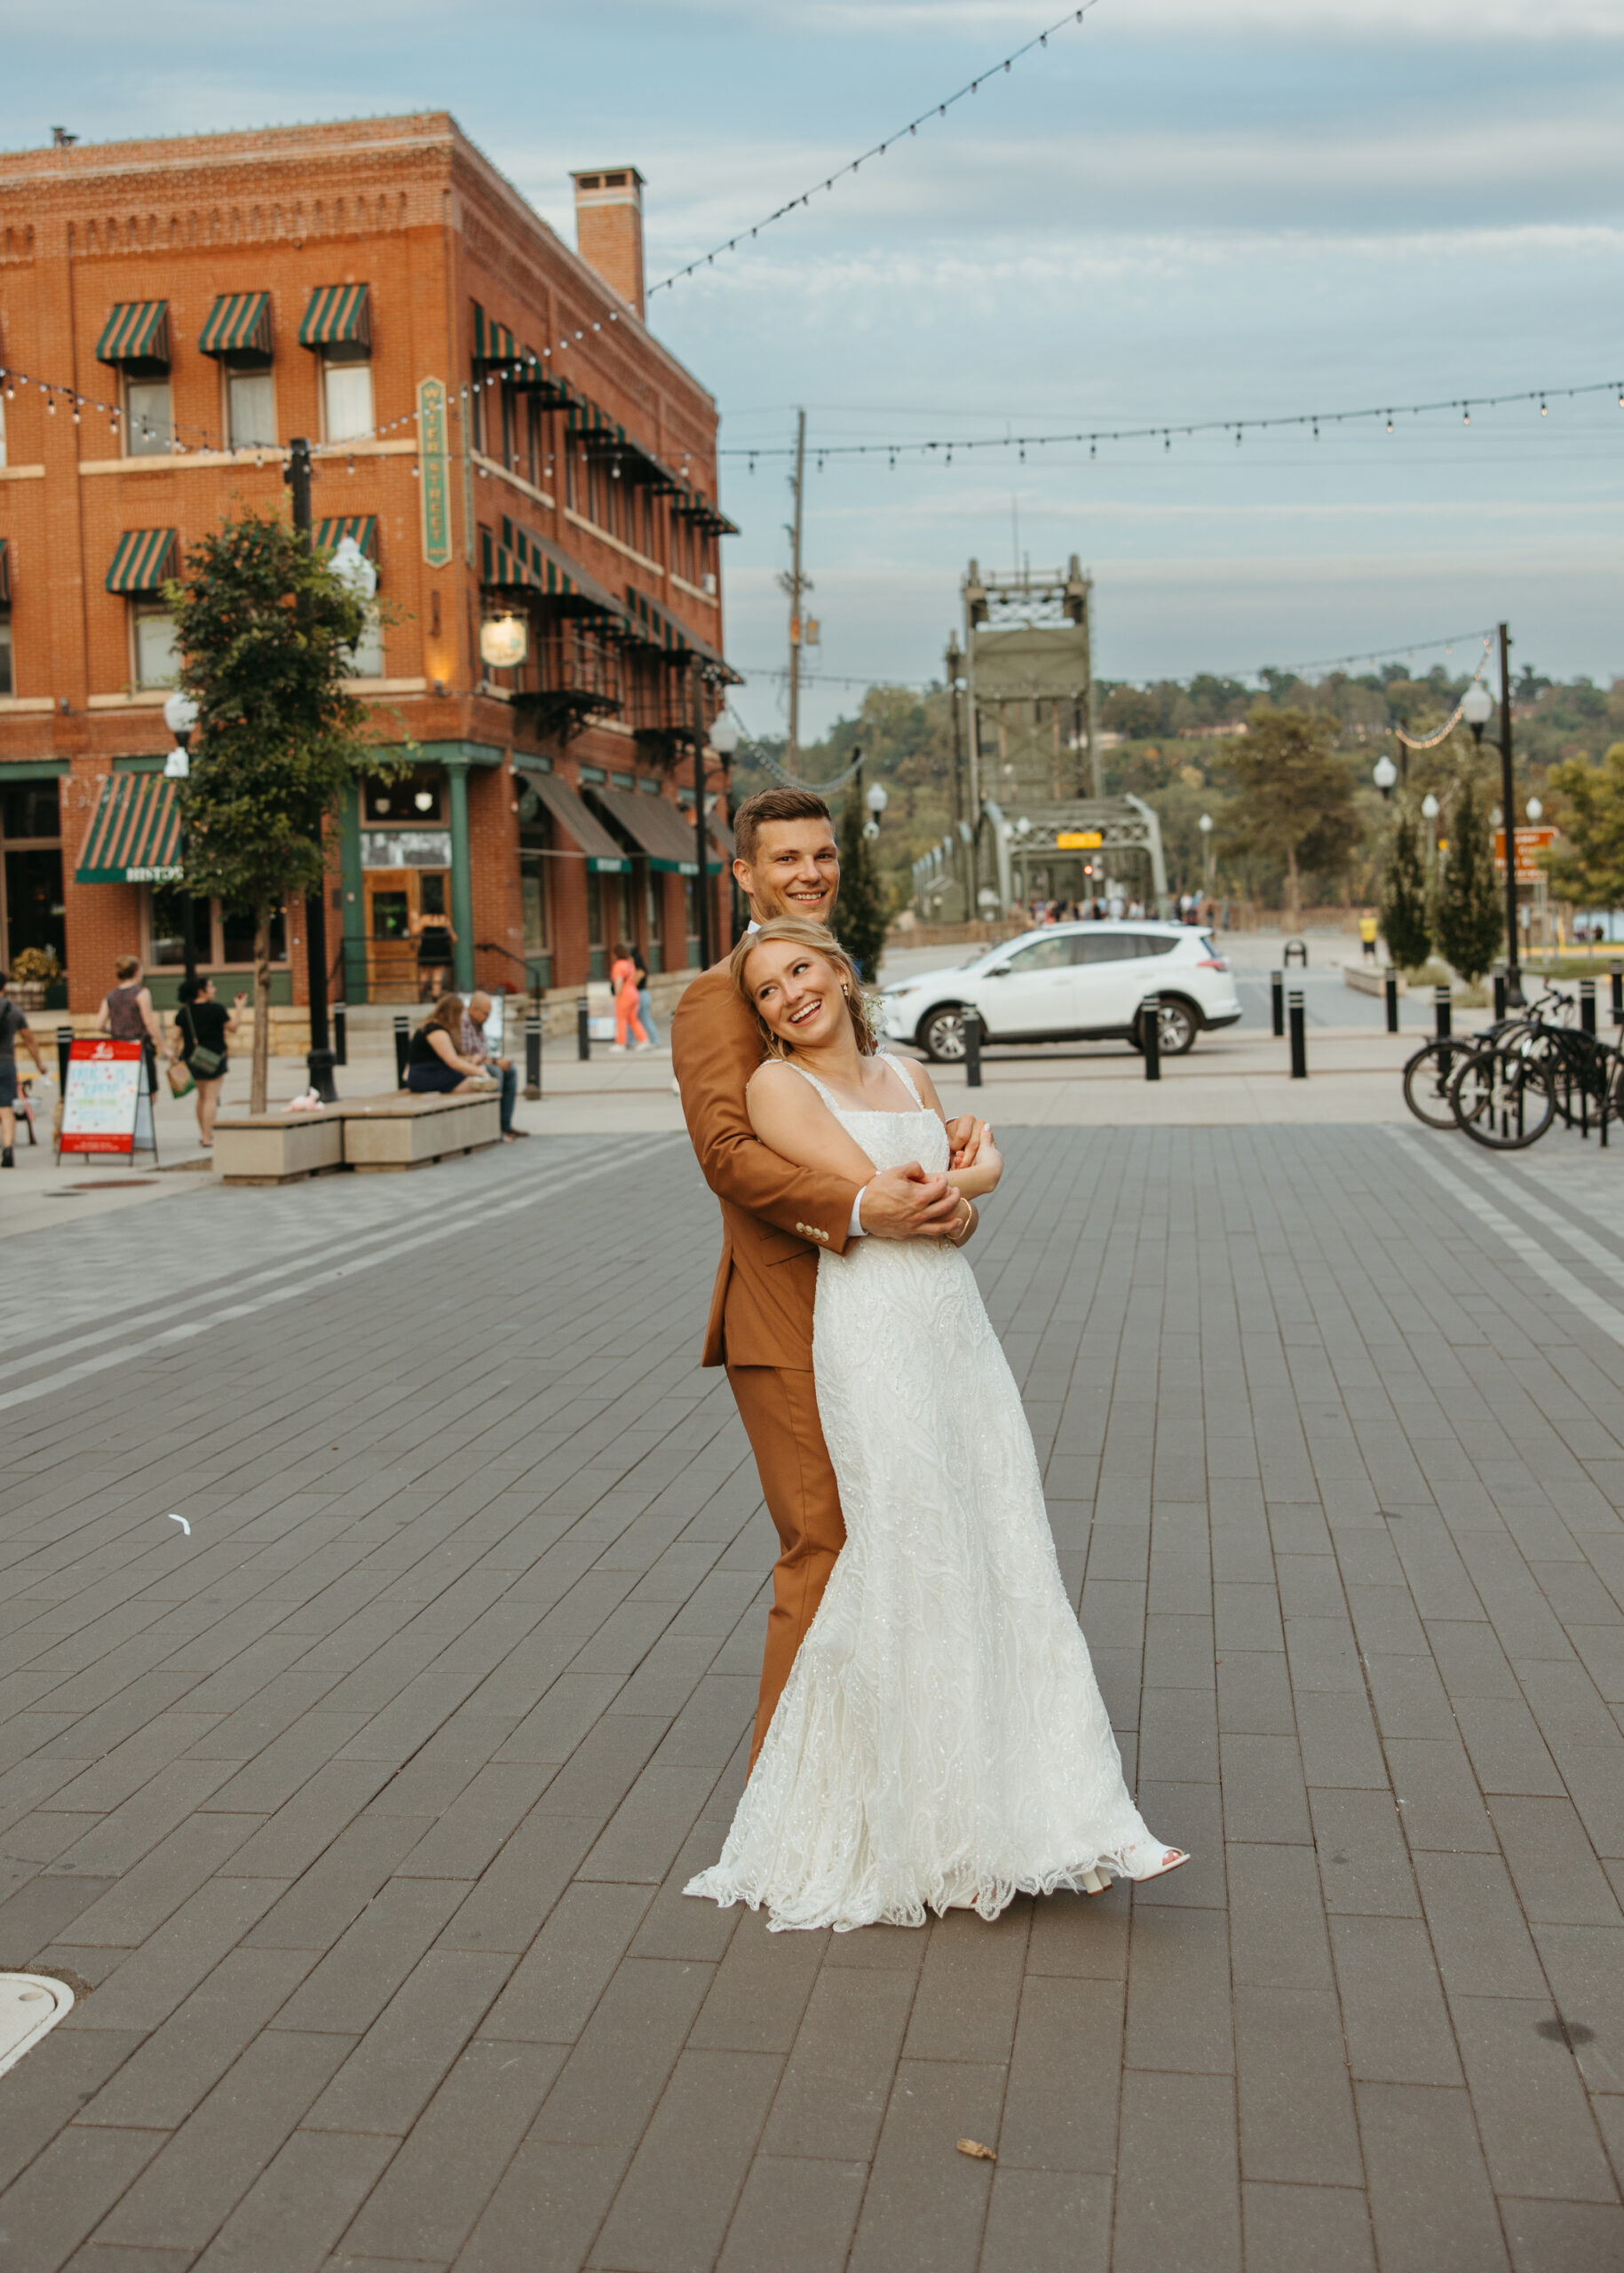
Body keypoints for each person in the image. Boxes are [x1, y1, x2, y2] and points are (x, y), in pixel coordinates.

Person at [684, 916, 1185, 1932]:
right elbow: (894, 1195)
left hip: (954, 1331)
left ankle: (1059, 1813)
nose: (787, 995)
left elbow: (938, 1212)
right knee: (914, 1554)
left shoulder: (908, 1072)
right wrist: (983, 1172)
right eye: (768, 989)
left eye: (799, 970)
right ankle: (928, 1831)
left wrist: (960, 1197)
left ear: (840, 969)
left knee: (1002, 1545)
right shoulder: (778, 1087)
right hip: (870, 1335)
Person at [671, 786, 985, 1775]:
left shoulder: (829, 974)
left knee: (906, 1534)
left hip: (893, 1316)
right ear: (742, 873)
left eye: (822, 855)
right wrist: (859, 1206)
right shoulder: (715, 998)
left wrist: (947, 1173)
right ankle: (787, 1799)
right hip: (788, 1316)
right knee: (826, 1545)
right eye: (784, 859)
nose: (807, 873)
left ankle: (896, 1773)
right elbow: (727, 1155)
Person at [170, 976, 244, 1148]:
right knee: (211, 1098)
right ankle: (207, 1136)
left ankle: (203, 1133)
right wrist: (239, 1008)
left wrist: (172, 1058)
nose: (214, 989)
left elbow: (175, 1038)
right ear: (201, 991)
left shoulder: (184, 1012)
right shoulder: (216, 1009)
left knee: (201, 1097)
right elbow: (233, 1027)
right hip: (215, 1058)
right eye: (211, 987)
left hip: (191, 1059)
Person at [461, 991, 526, 1140]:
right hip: (467, 1067)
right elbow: (467, 1056)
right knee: (496, 1073)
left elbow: (482, 1053)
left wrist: (497, 1060)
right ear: (474, 1009)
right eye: (486, 1013)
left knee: (510, 1070)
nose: (488, 1017)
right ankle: (493, 1128)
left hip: (479, 1064)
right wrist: (495, 1062)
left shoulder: (478, 1024)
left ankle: (505, 1125)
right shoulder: (463, 1022)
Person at [99, 954, 163, 1099]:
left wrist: (114, 1031)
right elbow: (150, 1022)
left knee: (124, 1092)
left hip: (119, 1048)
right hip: (140, 1048)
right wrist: (164, 1046)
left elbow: (99, 1025)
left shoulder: (110, 995)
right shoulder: (141, 993)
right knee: (149, 1093)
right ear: (136, 972)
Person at [0, 971, 46, 1168]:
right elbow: (29, 1039)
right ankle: (8, 1147)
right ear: (5, 986)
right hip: (6, 1064)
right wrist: (39, 1064)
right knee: (6, 1110)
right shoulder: (14, 1011)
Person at [406, 994, 489, 1093]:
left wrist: (471, 1060)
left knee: (480, 1082)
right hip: (425, 1075)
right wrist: (479, 1072)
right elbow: (453, 1061)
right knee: (479, 1085)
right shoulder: (435, 1030)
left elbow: (454, 1058)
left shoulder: (434, 1027)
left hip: (433, 1072)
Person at [409, 901, 456, 1001]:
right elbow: (454, 937)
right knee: (438, 973)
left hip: (427, 948)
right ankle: (435, 996)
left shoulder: (425, 919)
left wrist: (414, 919)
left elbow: (415, 931)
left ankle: (421, 994)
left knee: (425, 972)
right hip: (440, 949)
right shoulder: (444, 919)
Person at [608, 940, 649, 1051]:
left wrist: (617, 995)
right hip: (634, 993)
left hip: (624, 995)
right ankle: (644, 1040)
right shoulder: (630, 964)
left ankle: (620, 1043)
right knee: (633, 1019)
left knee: (621, 1019)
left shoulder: (618, 966)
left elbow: (618, 982)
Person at [631, 941, 659, 1049]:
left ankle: (654, 1040)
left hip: (641, 995)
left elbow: (634, 983)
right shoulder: (643, 970)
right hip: (644, 994)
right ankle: (631, 1040)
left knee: (645, 1018)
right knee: (636, 1019)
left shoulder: (639, 972)